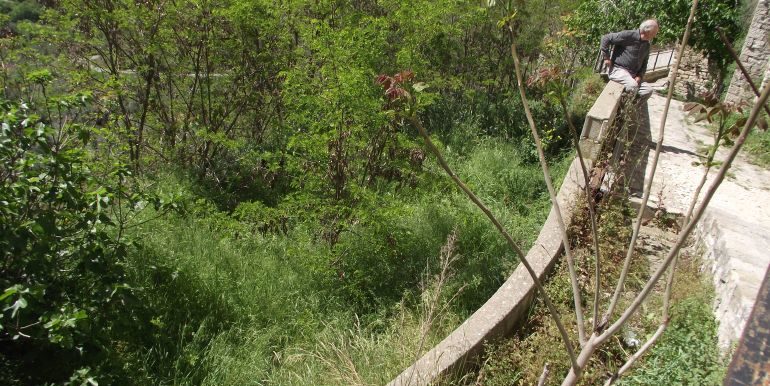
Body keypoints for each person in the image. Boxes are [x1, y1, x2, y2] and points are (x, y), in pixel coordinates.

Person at [600, 19, 659, 100]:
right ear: (648, 31)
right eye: (655, 32)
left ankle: (631, 108)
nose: (655, 35)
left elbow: (645, 63)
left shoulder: (646, 45)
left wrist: (639, 76)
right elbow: (606, 38)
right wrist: (606, 58)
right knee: (633, 86)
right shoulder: (629, 35)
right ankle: (623, 108)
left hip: (633, 76)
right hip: (618, 70)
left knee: (648, 90)